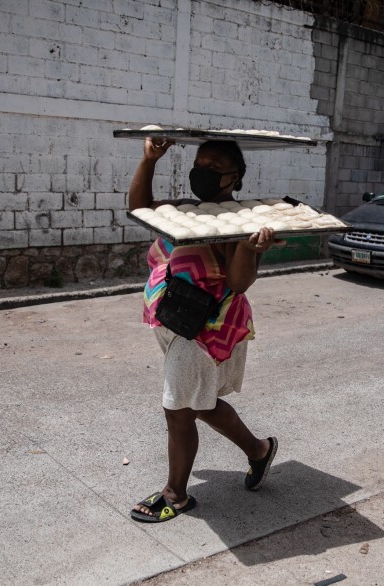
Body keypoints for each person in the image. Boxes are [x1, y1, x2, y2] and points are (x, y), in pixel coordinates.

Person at [128, 137, 280, 523]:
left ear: (234, 177)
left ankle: (175, 494)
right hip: (171, 319)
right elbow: (139, 209)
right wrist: (149, 160)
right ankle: (260, 450)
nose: (202, 172)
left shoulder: (238, 222)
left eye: (213, 168)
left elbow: (239, 281)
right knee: (200, 402)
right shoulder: (187, 211)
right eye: (199, 164)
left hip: (203, 327)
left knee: (178, 410)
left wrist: (250, 248)